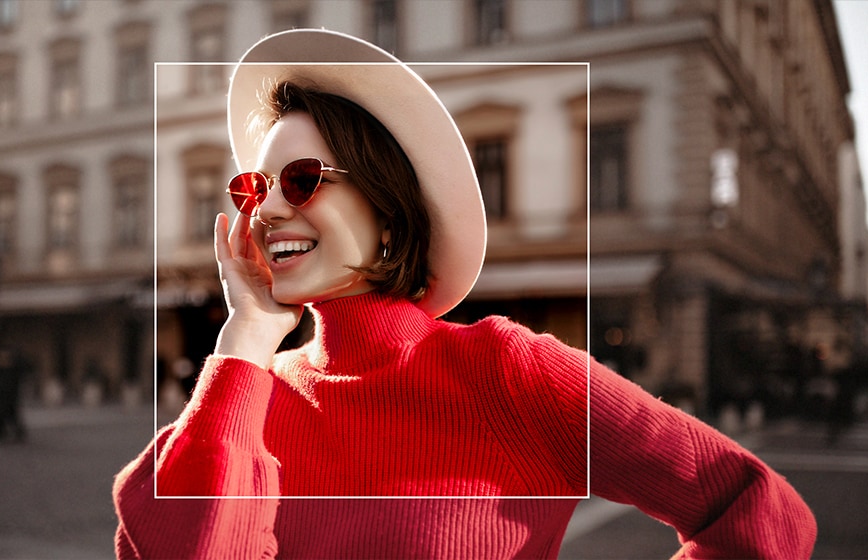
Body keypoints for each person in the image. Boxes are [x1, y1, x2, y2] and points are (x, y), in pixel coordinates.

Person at [113, 29, 816, 558]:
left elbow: (758, 512)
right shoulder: (243, 398)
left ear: (390, 213)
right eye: (253, 188)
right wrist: (245, 336)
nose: (265, 211)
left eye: (299, 181)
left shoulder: (508, 372)